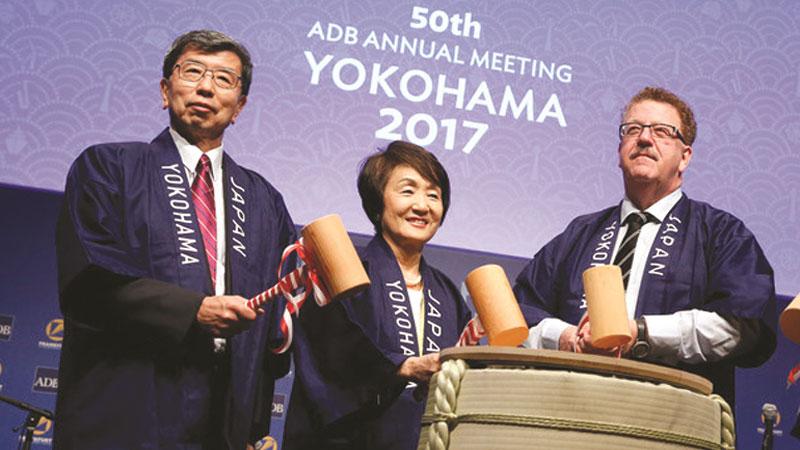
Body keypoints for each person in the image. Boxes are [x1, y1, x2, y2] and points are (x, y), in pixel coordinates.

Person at [54, 30, 295, 449]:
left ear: (239, 107)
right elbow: (89, 280)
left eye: (224, 79)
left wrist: (257, 426)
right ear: (166, 90)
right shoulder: (109, 168)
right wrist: (194, 310)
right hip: (128, 404)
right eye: (193, 72)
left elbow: (274, 323)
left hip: (222, 419)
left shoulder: (264, 201)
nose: (205, 86)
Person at [513, 86, 776, 407]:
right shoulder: (579, 234)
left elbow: (740, 327)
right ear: (620, 148)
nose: (645, 138)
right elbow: (519, 317)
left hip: (672, 415)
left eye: (663, 131)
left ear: (685, 156)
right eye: (633, 129)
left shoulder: (721, 233)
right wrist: (567, 338)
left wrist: (639, 333)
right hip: (570, 408)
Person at [283, 141, 472, 450]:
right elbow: (330, 351)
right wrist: (402, 367)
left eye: (433, 195)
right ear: (377, 202)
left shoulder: (447, 292)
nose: (423, 206)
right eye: (407, 191)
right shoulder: (344, 270)